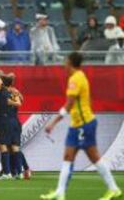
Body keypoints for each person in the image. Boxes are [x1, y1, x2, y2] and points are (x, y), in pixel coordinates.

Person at [41, 52, 122, 200]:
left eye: (65, 61)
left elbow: (69, 103)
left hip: (83, 125)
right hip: (78, 124)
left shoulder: (75, 79)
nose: (64, 64)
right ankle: (60, 192)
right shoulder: (80, 77)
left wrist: (53, 123)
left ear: (70, 63)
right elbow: (87, 100)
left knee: (94, 157)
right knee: (68, 157)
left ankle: (113, 188)